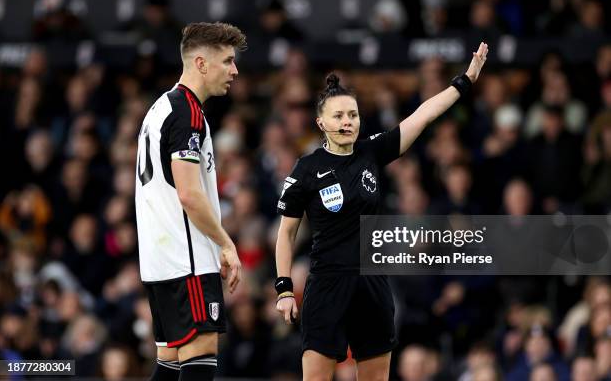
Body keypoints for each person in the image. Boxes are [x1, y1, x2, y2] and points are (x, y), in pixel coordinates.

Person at [275, 42, 488, 380]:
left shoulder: (372, 152)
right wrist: (285, 289)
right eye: (339, 115)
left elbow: (423, 115)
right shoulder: (306, 169)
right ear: (320, 123)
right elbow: (286, 233)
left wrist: (464, 81)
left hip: (372, 284)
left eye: (353, 114)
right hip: (328, 283)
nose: (348, 121)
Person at [135, 22, 245, 381]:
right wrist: (225, 244)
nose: (234, 70)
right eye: (227, 61)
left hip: (159, 262)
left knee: (169, 366)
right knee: (199, 361)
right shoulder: (188, 113)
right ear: (200, 63)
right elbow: (188, 193)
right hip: (188, 261)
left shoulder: (159, 109)